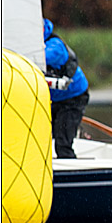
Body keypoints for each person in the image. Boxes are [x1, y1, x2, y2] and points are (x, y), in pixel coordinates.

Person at [43, 18, 90, 159]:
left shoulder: (55, 46)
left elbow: (42, 57)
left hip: (73, 98)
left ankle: (72, 172)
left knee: (62, 143)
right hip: (54, 99)